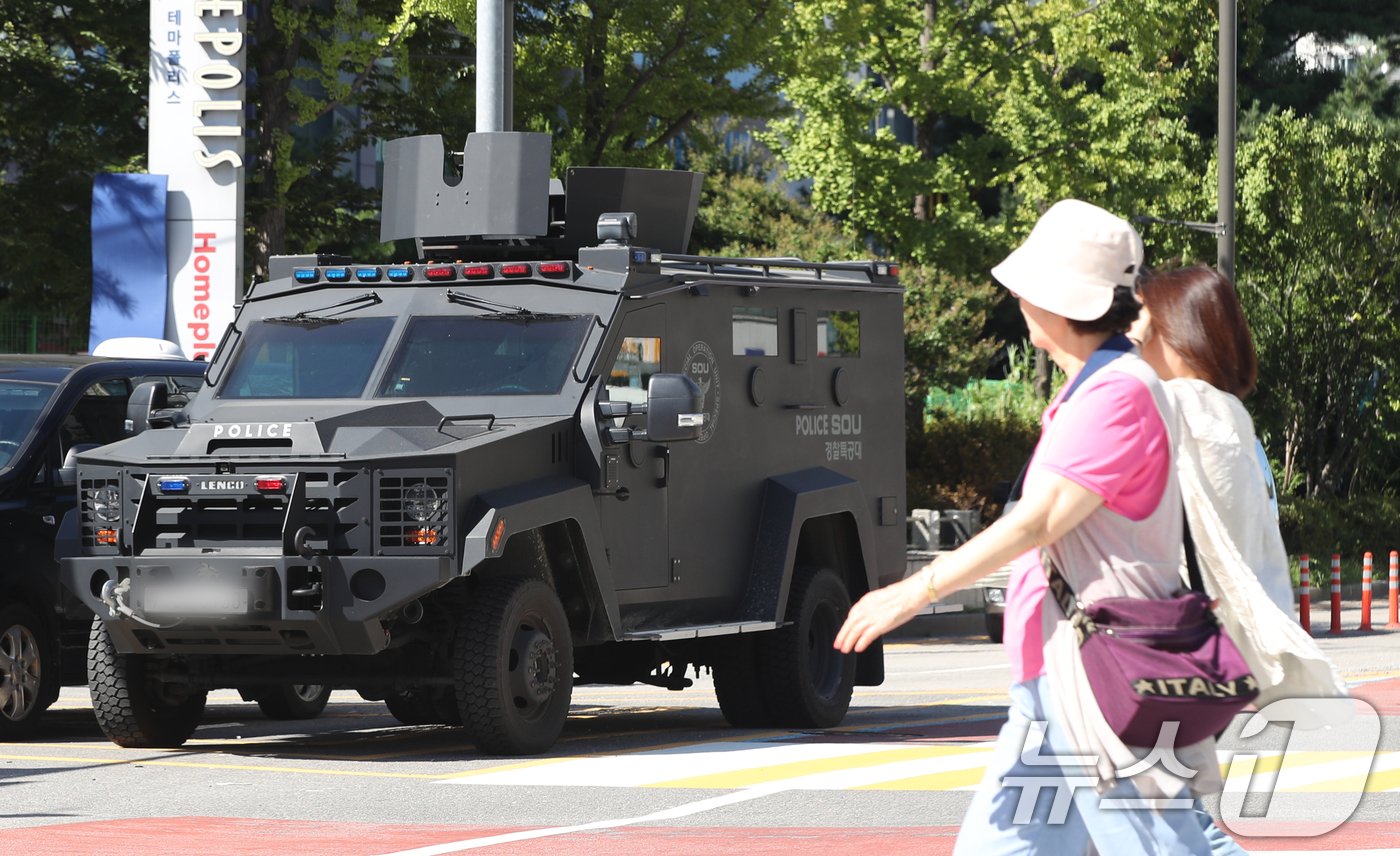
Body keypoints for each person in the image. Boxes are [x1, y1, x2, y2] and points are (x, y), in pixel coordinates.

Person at [835, 199, 1213, 854]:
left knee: (1158, 846)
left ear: (1063, 299)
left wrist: (913, 592)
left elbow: (1039, 521)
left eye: (1029, 285)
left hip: (1100, 677)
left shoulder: (1116, 393)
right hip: (1059, 678)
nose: (1016, 296)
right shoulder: (1097, 387)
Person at [1129, 266, 1350, 855]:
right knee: (1146, 821)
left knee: (1173, 824)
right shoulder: (1226, 414)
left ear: (1174, 330)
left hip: (1166, 648)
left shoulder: (1186, 408)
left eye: (1143, 319)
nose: (1133, 331)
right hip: (1203, 649)